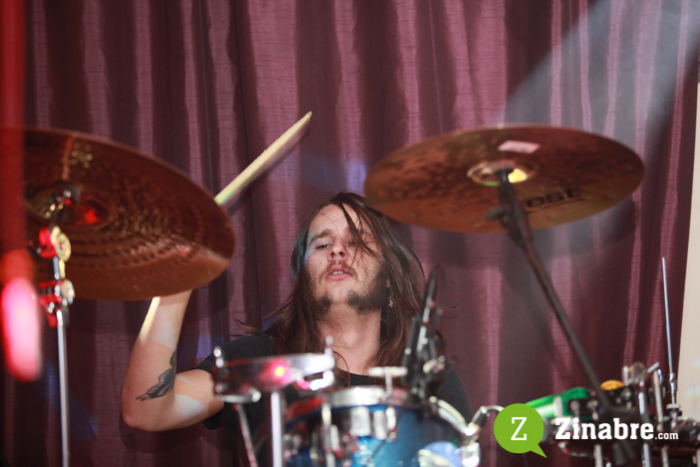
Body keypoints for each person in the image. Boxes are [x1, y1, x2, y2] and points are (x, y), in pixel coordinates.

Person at [120, 192, 470, 461]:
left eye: (356, 242)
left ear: (389, 278)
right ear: (303, 277)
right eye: (323, 244)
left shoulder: (431, 380)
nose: (337, 251)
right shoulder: (258, 362)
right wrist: (176, 282)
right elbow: (147, 410)